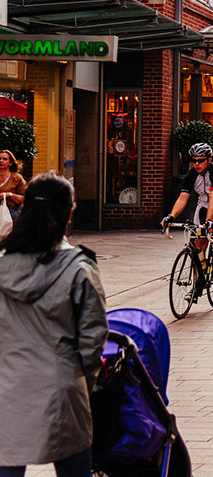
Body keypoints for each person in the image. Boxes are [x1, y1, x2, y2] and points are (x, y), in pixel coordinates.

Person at [0, 172, 108, 477]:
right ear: (70, 213)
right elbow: (93, 338)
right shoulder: (79, 268)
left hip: (6, 386)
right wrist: (82, 382)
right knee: (74, 467)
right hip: (62, 387)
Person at [162, 143, 213, 267]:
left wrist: (209, 221)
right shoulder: (192, 175)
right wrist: (171, 216)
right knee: (199, 243)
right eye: (194, 161)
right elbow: (182, 198)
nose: (197, 164)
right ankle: (199, 279)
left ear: (209, 159)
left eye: (200, 161)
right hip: (204, 203)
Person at [0, 150, 27, 219]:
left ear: (11, 163)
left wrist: (9, 195)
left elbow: (25, 197)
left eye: (5, 159)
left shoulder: (17, 178)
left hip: (11, 212)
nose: (1, 161)